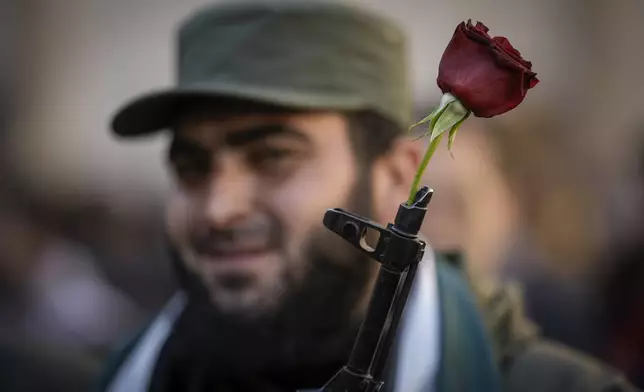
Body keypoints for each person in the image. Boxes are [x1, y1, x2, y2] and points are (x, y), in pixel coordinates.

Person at [96, 2, 640, 391]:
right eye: (191, 168)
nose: (218, 208)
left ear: (396, 177)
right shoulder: (110, 373)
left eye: (273, 158)